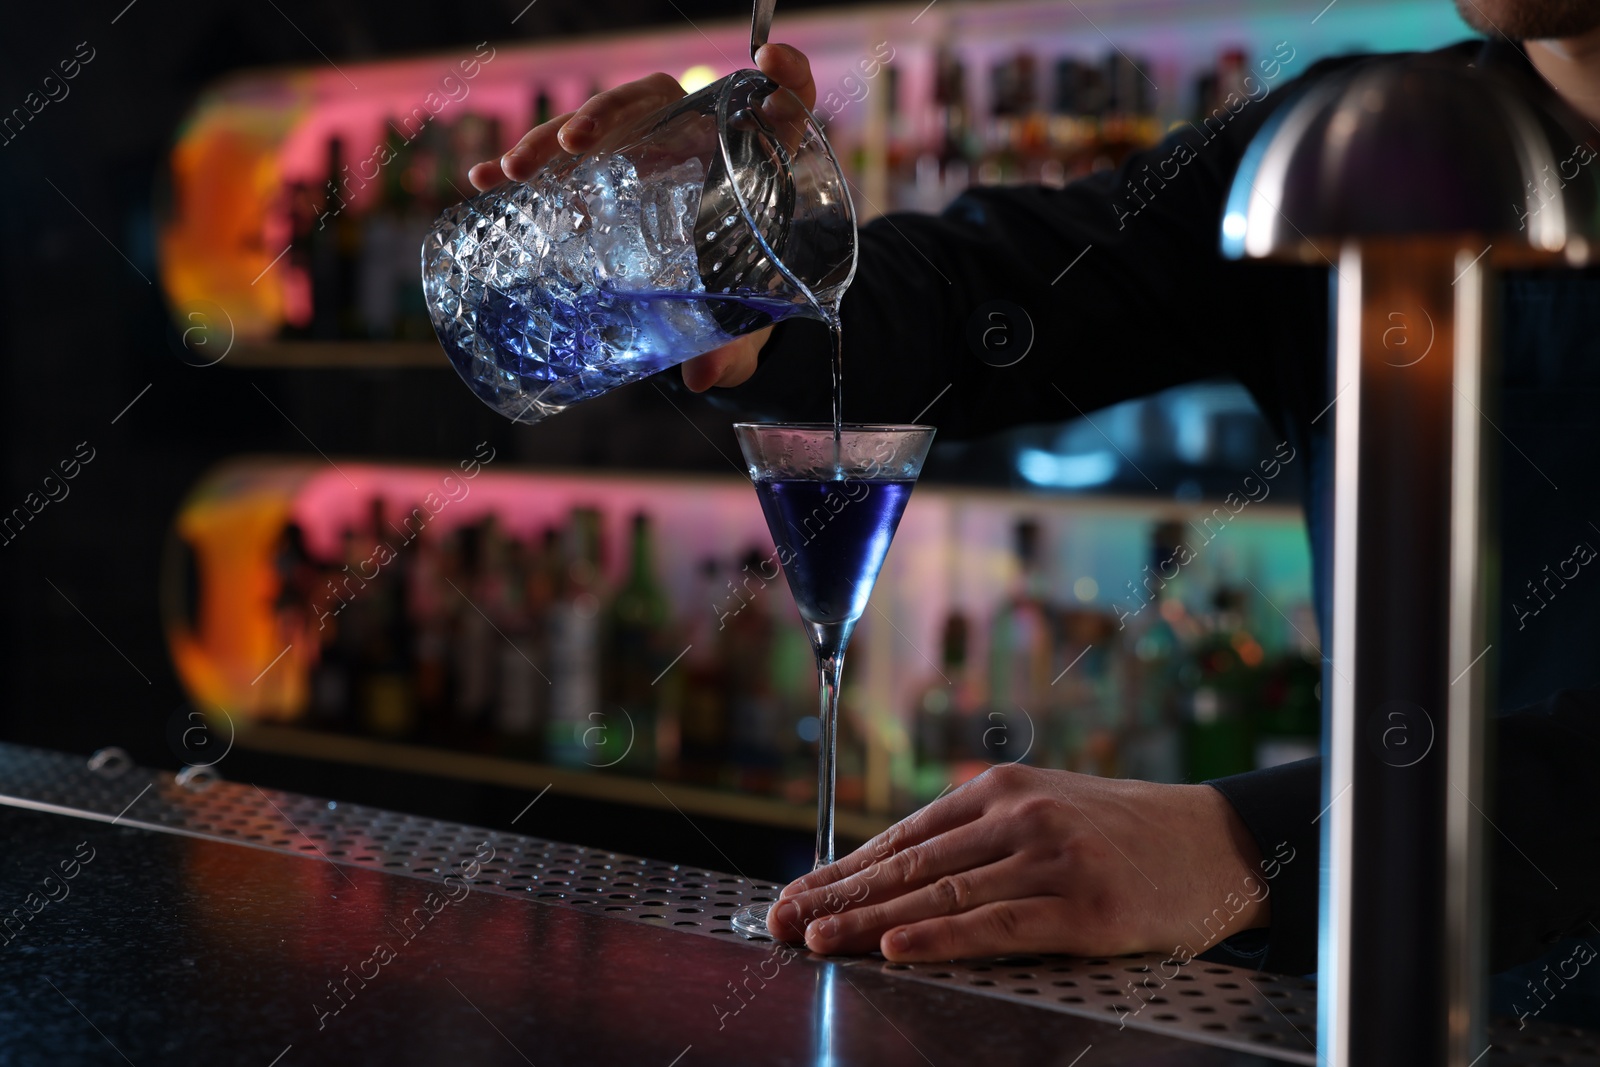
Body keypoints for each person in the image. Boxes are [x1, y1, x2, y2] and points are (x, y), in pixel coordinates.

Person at [469, 1, 1600, 994]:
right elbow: (1011, 286)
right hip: (1388, 994)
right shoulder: (1369, 143)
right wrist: (743, 271)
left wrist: (1250, 843)